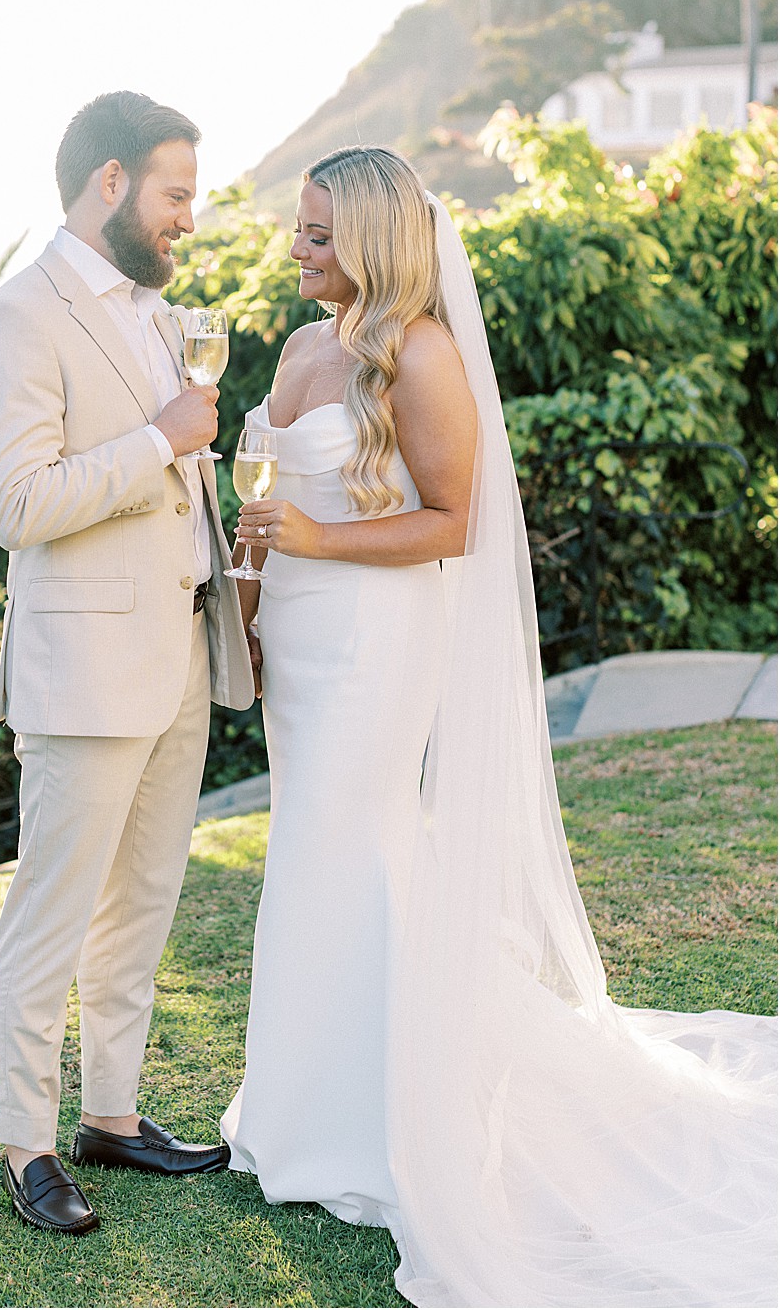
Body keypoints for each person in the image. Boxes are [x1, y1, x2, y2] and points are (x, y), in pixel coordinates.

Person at [221, 146, 776, 1307]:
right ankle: (303, 1104)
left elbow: (453, 523)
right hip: (302, 641)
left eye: (317, 234)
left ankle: (386, 1120)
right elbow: (265, 499)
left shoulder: (416, 353)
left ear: (369, 240)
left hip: (377, 636)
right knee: (312, 852)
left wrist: (312, 544)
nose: (295, 247)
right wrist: (254, 611)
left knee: (354, 844)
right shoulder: (295, 348)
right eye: (297, 228)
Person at [0, 90, 254, 1236]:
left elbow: (174, 469)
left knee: (141, 901)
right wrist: (160, 441)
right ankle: (26, 1142)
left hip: (180, 644)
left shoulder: (156, 313)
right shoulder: (17, 318)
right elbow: (16, 501)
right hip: (82, 664)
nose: (189, 216)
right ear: (112, 183)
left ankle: (113, 1118)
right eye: (177, 193)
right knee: (54, 907)